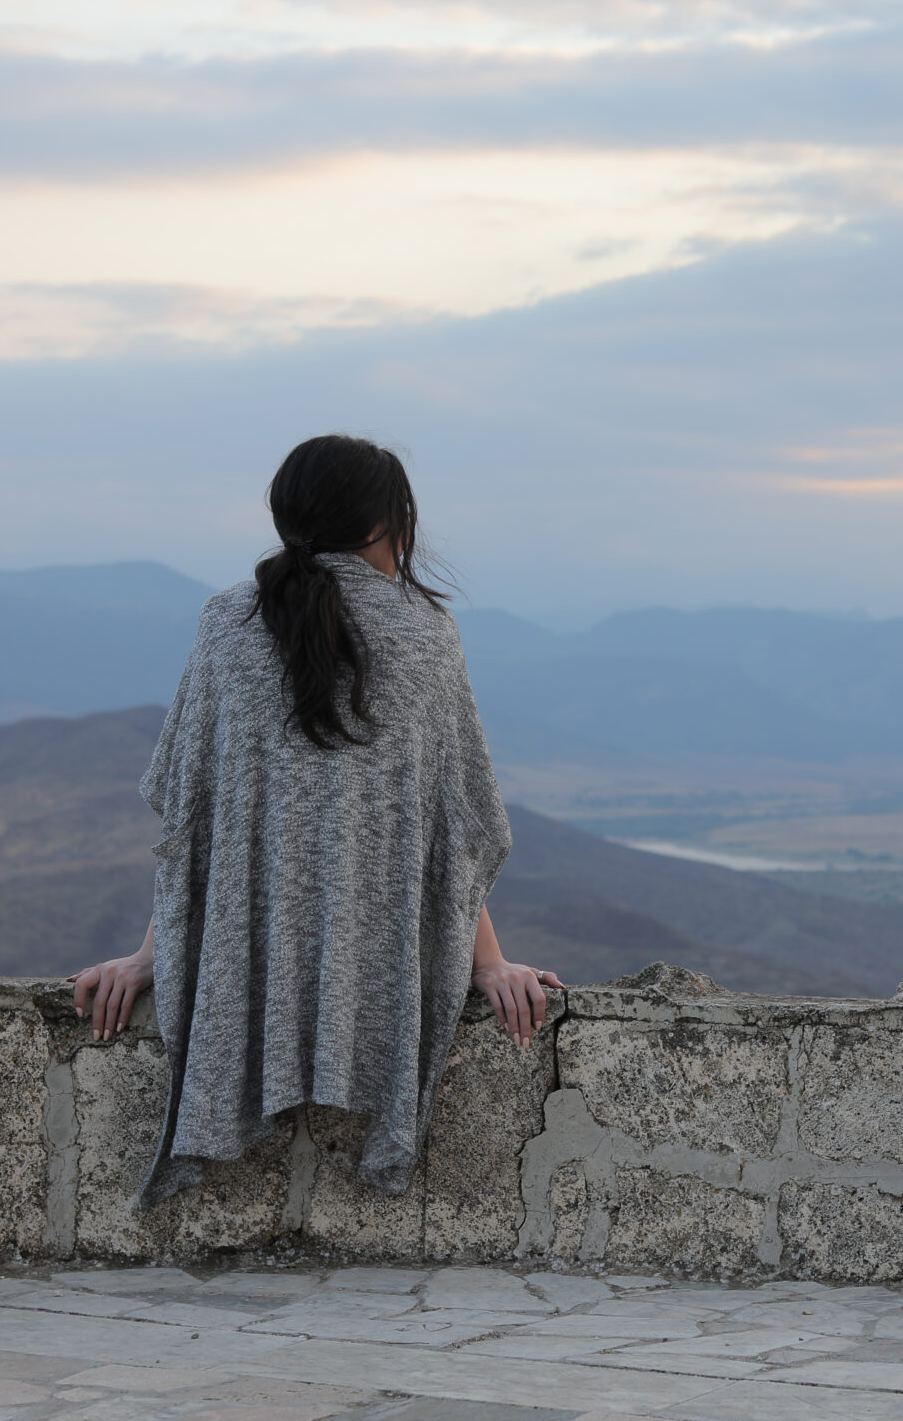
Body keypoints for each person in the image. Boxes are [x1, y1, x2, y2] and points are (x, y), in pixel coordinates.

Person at [71, 434, 559, 1201]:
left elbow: (196, 823)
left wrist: (152, 953)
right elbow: (451, 832)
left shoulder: (225, 624)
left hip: (247, 963)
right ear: (380, 524)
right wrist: (488, 963)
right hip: (380, 969)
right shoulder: (427, 634)